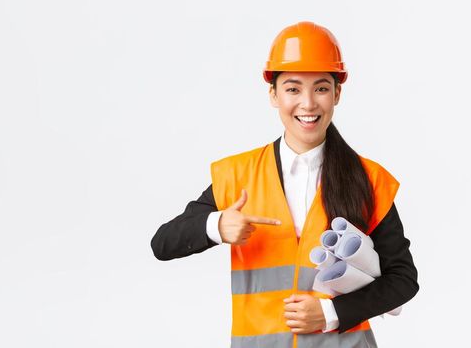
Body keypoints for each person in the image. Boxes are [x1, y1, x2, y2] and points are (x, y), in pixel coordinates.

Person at [151, 21, 418, 348]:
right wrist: (216, 225)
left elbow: (403, 280)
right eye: (293, 88)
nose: (307, 104)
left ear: (337, 93)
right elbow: (162, 243)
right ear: (273, 94)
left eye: (320, 88)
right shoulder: (238, 176)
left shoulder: (368, 180)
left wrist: (330, 312)